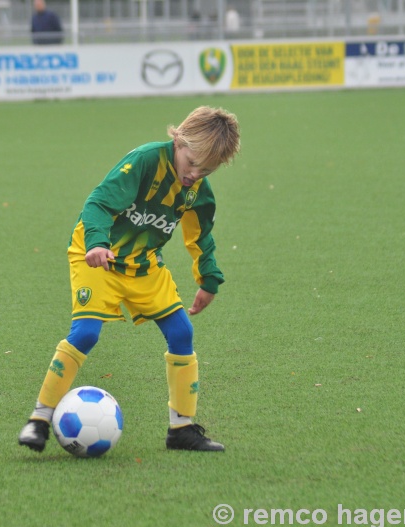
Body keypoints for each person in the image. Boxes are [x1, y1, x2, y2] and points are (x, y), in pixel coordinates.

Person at [18, 106, 240, 453]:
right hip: (98, 256)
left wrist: (208, 279)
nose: (195, 173)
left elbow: (200, 236)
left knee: (182, 332)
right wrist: (96, 243)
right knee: (86, 333)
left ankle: (181, 429)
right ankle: (39, 419)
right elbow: (99, 203)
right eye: (192, 162)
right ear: (178, 139)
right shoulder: (145, 161)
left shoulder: (198, 190)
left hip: (143, 266)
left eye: (207, 169)